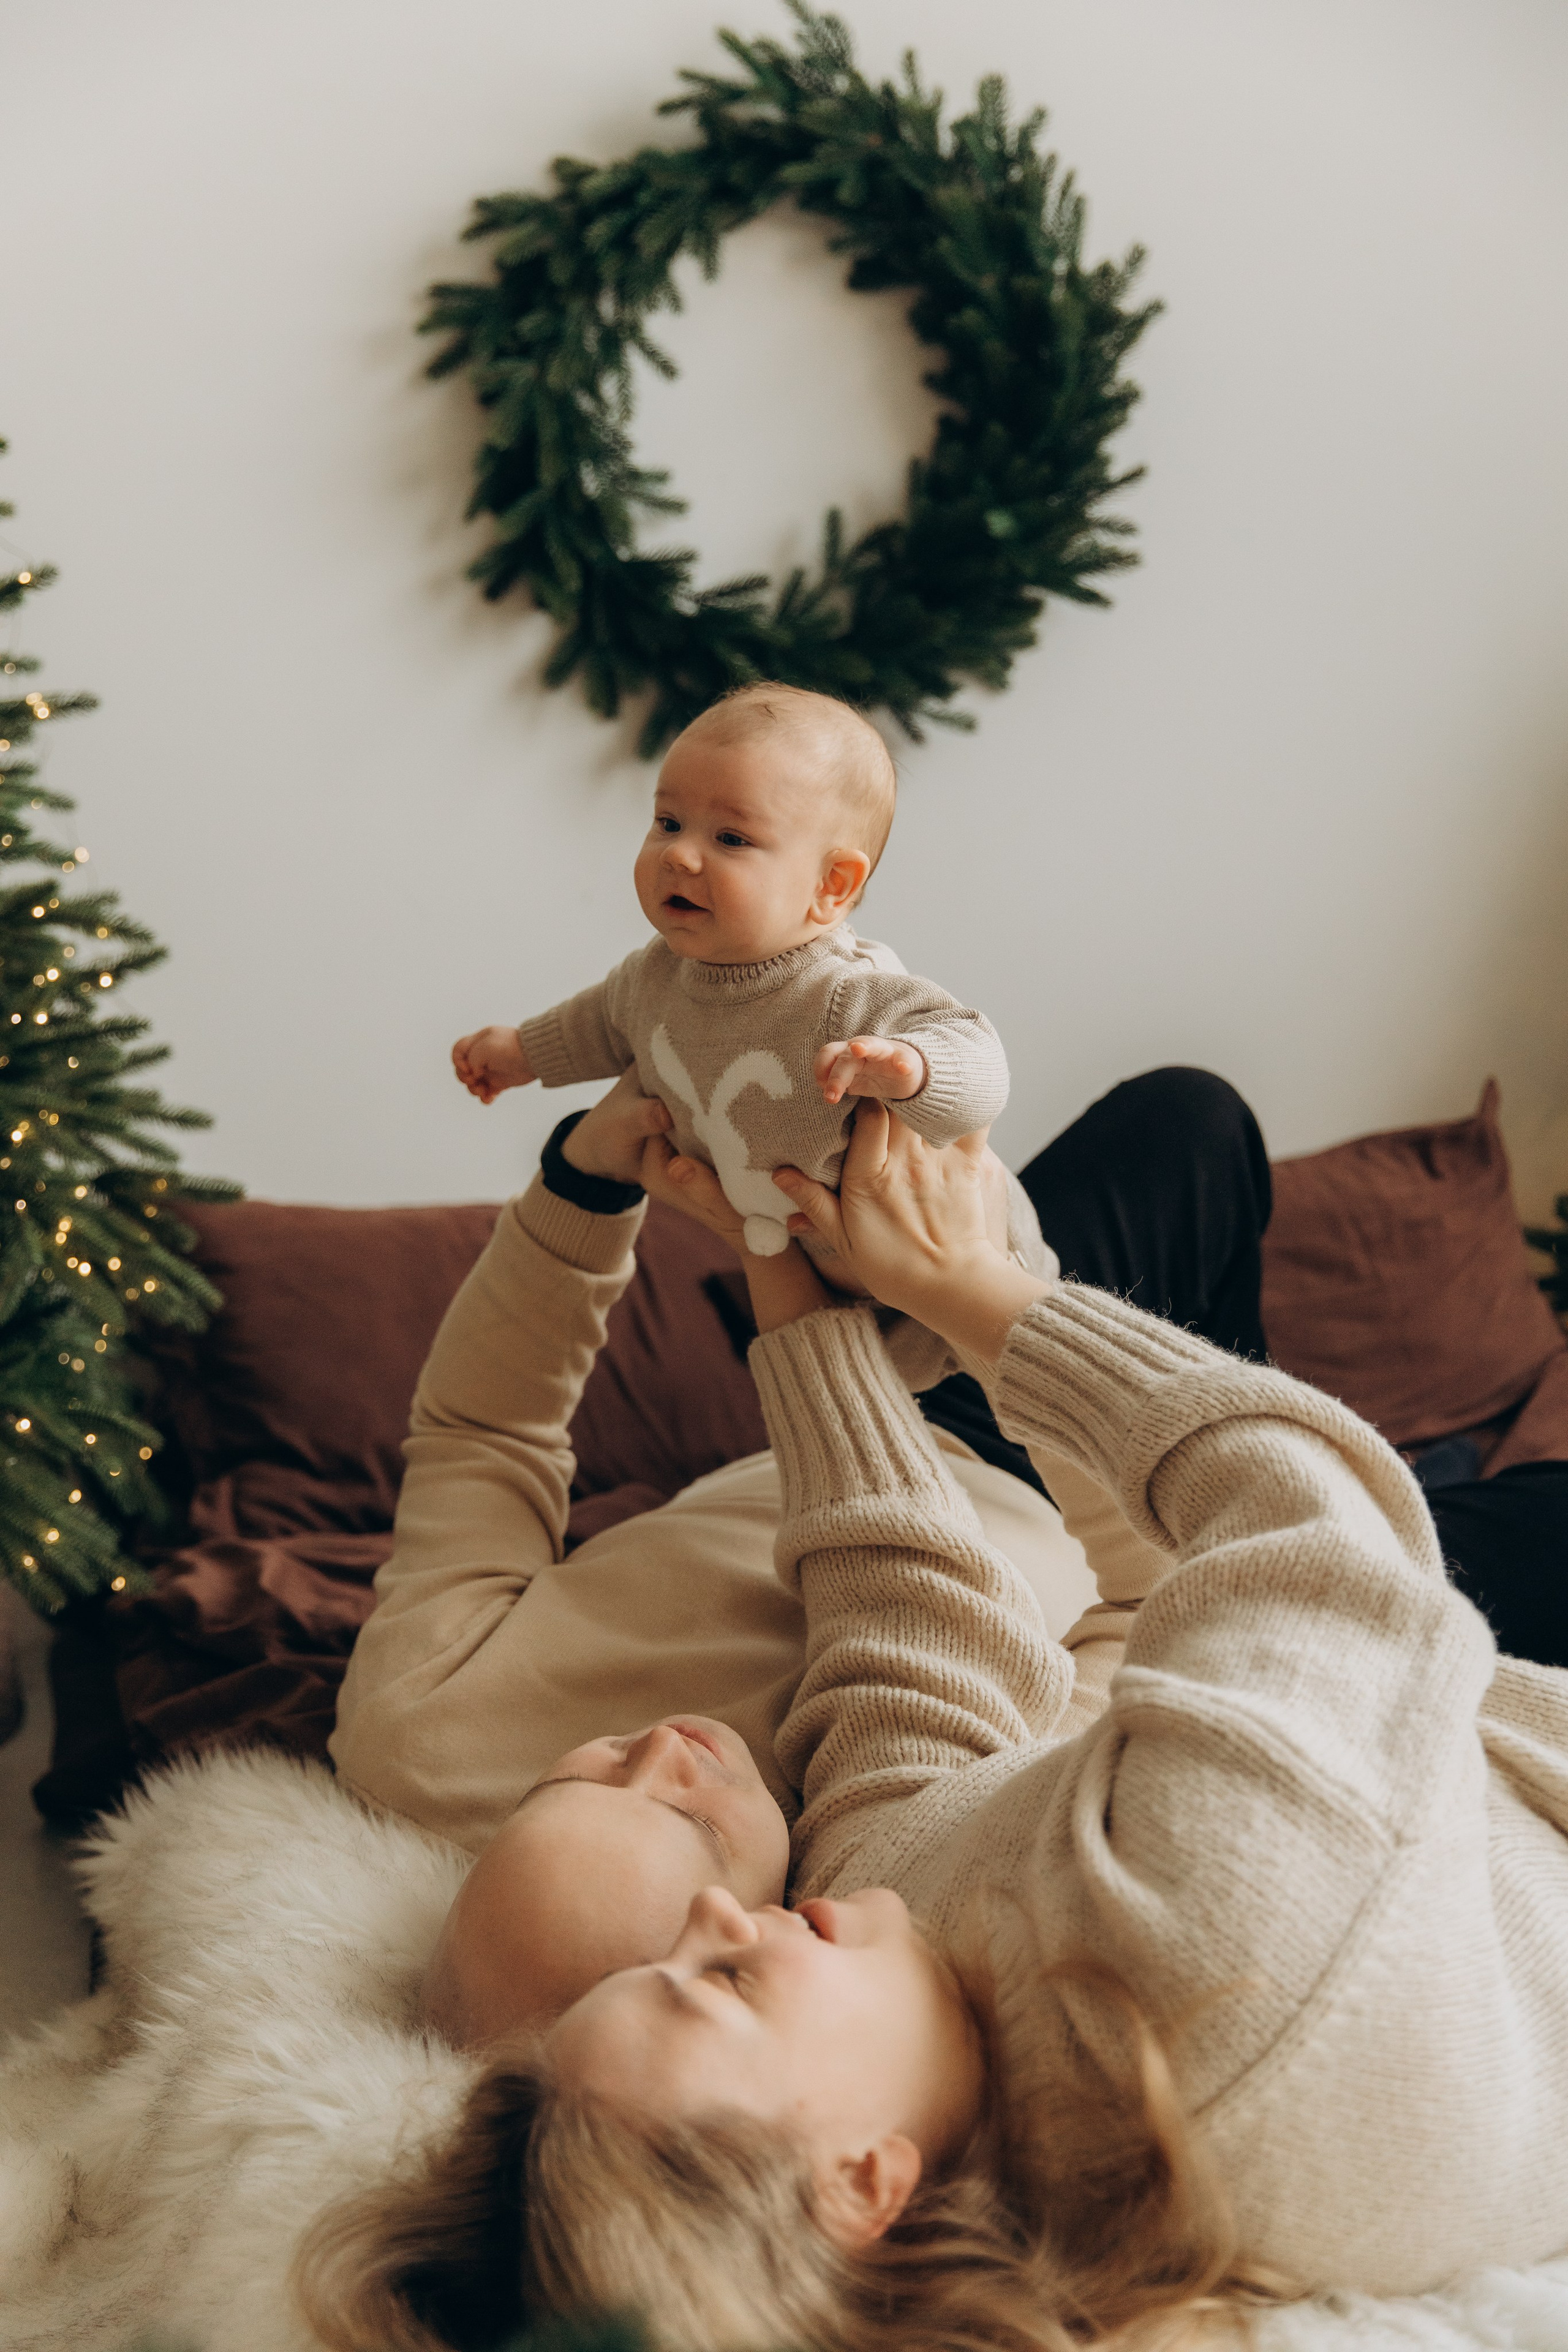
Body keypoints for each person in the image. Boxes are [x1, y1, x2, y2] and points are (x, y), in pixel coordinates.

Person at [302, 1101, 1568, 2352]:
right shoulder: (1224, 1982)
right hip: (1473, 1766)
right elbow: (1317, 1521)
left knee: (1183, 1132)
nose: (719, 1912)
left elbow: (900, 1650)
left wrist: (788, 1284)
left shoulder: (888, 1971)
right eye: (721, 1980)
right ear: (860, 2185)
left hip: (1300, 1719)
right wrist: (976, 1292)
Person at [448, 682, 1031, 1267]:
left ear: (832, 887)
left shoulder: (846, 994)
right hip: (811, 1267)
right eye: (668, 822)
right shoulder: (656, 973)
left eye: (730, 838)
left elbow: (980, 1062)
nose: (679, 855)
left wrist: (915, 1067)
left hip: (961, 1253)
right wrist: (521, 1051)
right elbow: (599, 1023)